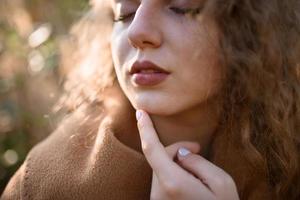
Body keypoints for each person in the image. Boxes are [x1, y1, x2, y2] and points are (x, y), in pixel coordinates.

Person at [2, 0, 300, 199]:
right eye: (125, 11)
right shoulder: (42, 186)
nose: (137, 31)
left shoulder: (289, 156)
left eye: (180, 7)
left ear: (251, 29)